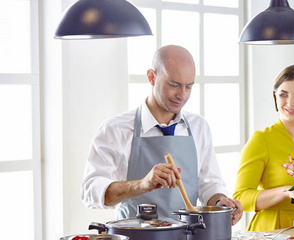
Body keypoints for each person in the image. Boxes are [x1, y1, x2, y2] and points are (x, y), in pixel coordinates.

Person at [81, 45, 243, 225]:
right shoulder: (115, 129)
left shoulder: (198, 126)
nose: (182, 95)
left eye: (188, 87)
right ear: (152, 77)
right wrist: (142, 184)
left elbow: (209, 183)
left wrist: (221, 203)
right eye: (174, 85)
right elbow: (90, 192)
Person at [233, 64, 294, 231]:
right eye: (283, 95)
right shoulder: (261, 139)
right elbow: (241, 198)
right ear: (275, 97)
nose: (290, 103)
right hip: (271, 232)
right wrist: (286, 191)